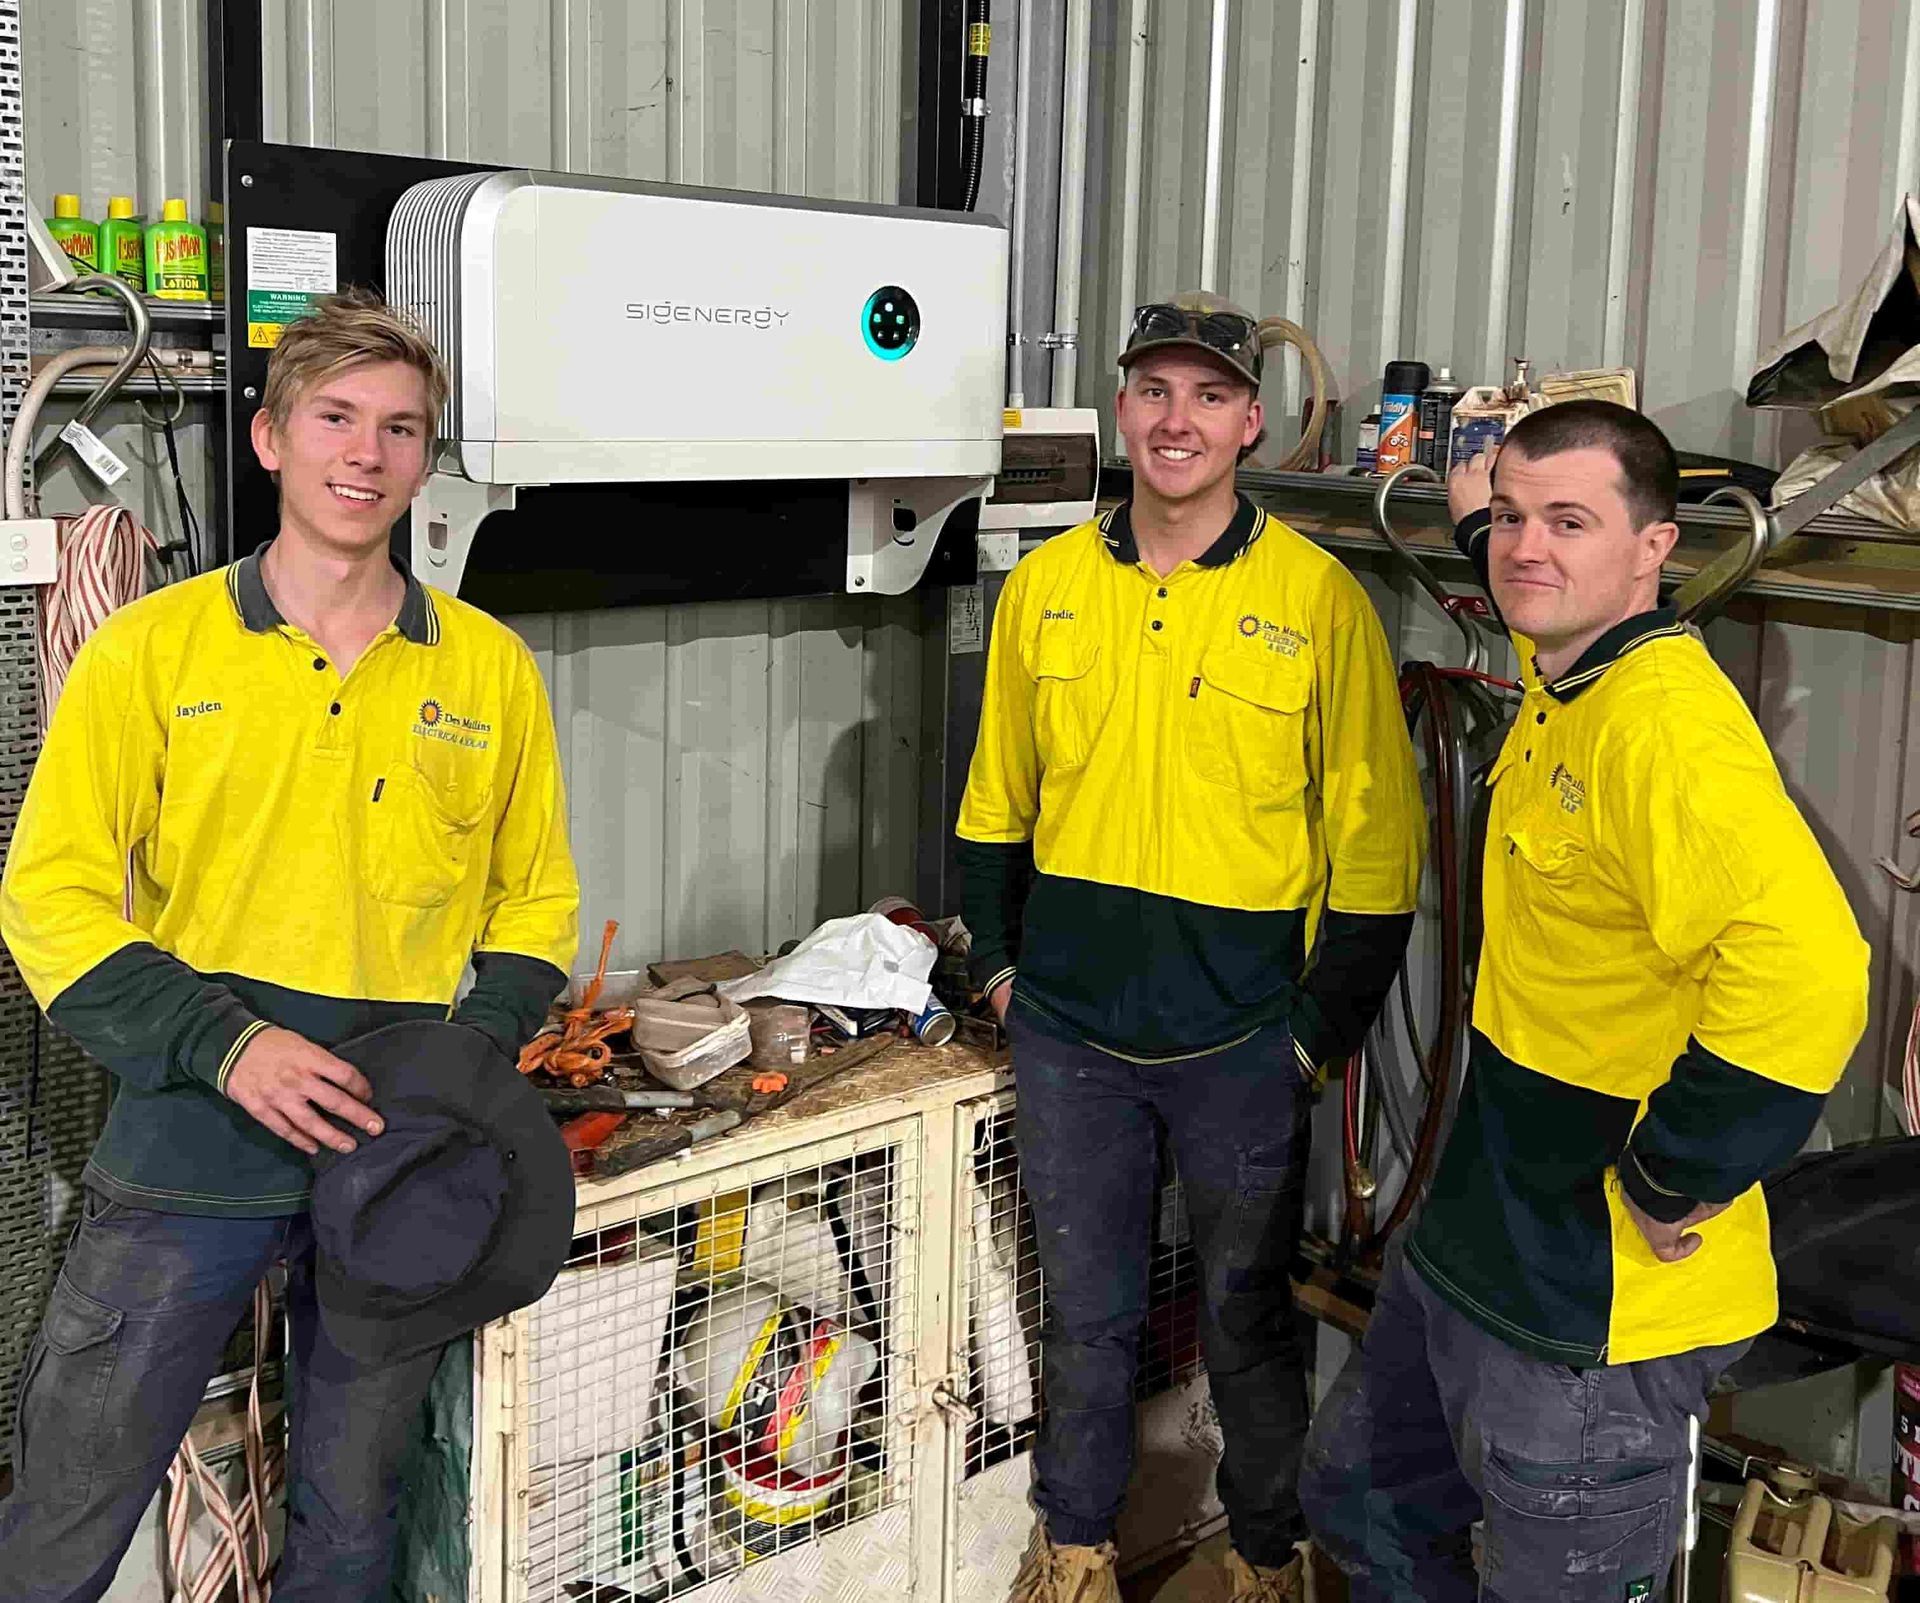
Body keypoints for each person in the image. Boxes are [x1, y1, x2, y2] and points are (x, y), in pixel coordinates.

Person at [0, 288, 580, 1600]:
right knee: (72, 1500)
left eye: (400, 428)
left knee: (351, 1512)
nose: (365, 452)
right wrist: (224, 1039)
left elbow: (536, 902)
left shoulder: (485, 670)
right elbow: (51, 894)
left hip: (398, 1159)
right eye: (335, 418)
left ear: (426, 459)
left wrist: (459, 1070)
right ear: (269, 438)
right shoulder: (154, 650)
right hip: (191, 1141)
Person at [1298, 401, 1869, 1600]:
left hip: (1589, 1303)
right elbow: (1523, 572)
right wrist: (1482, 505)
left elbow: (1810, 970)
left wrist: (1678, 1171)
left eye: (1569, 521)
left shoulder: (1664, 730)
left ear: (1654, 550)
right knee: (1359, 1496)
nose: (1524, 549)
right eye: (1509, 519)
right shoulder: (1565, 666)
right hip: (1472, 1238)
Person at [958, 294, 1424, 1603]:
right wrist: (1001, 970)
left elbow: (1378, 851)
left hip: (1238, 1045)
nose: (1178, 419)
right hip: (1072, 1039)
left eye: (1209, 395)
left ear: (1251, 421)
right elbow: (994, 805)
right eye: (1156, 390)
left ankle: (1269, 1551)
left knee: (1247, 1318)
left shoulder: (1320, 602)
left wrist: (1309, 1032)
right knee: (1088, 1316)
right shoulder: (1046, 590)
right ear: (1123, 408)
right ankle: (1078, 1544)